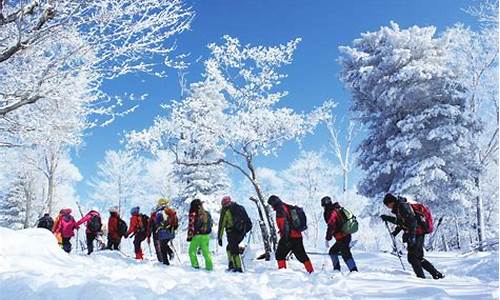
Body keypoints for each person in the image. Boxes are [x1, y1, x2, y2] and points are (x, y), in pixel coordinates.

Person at [381, 193, 444, 279]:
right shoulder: (399, 207)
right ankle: (436, 274)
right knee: (416, 257)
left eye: (387, 205)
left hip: (417, 233)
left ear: (391, 202)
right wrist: (392, 226)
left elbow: (412, 222)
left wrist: (412, 237)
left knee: (413, 258)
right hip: (416, 233)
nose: (388, 207)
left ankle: (422, 278)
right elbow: (402, 222)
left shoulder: (402, 206)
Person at [267, 195, 314, 273]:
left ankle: (283, 274)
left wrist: (285, 236)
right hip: (297, 235)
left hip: (288, 236)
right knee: (302, 255)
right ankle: (311, 272)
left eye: (271, 204)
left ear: (274, 203)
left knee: (279, 255)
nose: (271, 207)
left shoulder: (280, 209)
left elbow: (284, 224)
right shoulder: (286, 206)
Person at [321, 196, 358, 272]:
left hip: (343, 237)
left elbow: (331, 225)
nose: (323, 208)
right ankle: (337, 270)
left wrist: (327, 238)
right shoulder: (336, 209)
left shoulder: (332, 212)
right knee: (333, 252)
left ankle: (354, 271)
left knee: (346, 254)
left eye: (323, 206)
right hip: (344, 236)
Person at [217, 196, 251, 273]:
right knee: (230, 247)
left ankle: (237, 267)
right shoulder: (240, 207)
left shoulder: (225, 211)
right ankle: (232, 264)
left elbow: (221, 225)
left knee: (233, 249)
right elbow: (247, 220)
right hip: (241, 232)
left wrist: (219, 238)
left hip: (232, 232)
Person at [187, 199, 213, 271]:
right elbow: (211, 223)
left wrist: (189, 236)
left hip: (197, 236)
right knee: (206, 252)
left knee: (191, 251)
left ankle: (195, 266)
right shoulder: (207, 213)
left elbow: (191, 226)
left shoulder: (193, 214)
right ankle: (209, 267)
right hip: (206, 236)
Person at [155, 199, 178, 265]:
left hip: (163, 232)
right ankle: (170, 253)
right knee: (164, 244)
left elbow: (157, 222)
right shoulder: (171, 211)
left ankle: (166, 262)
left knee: (162, 246)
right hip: (171, 232)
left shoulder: (160, 212)